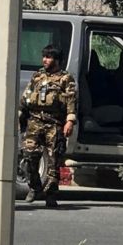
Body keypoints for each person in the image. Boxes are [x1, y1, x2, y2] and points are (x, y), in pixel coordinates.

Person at [19, 44, 77, 208]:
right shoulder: (37, 76)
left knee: (54, 162)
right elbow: (26, 97)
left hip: (54, 123)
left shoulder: (66, 78)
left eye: (49, 57)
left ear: (57, 60)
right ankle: (35, 186)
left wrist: (70, 121)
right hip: (35, 121)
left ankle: (51, 195)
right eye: (44, 56)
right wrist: (20, 114)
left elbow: (72, 101)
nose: (44, 60)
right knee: (28, 156)